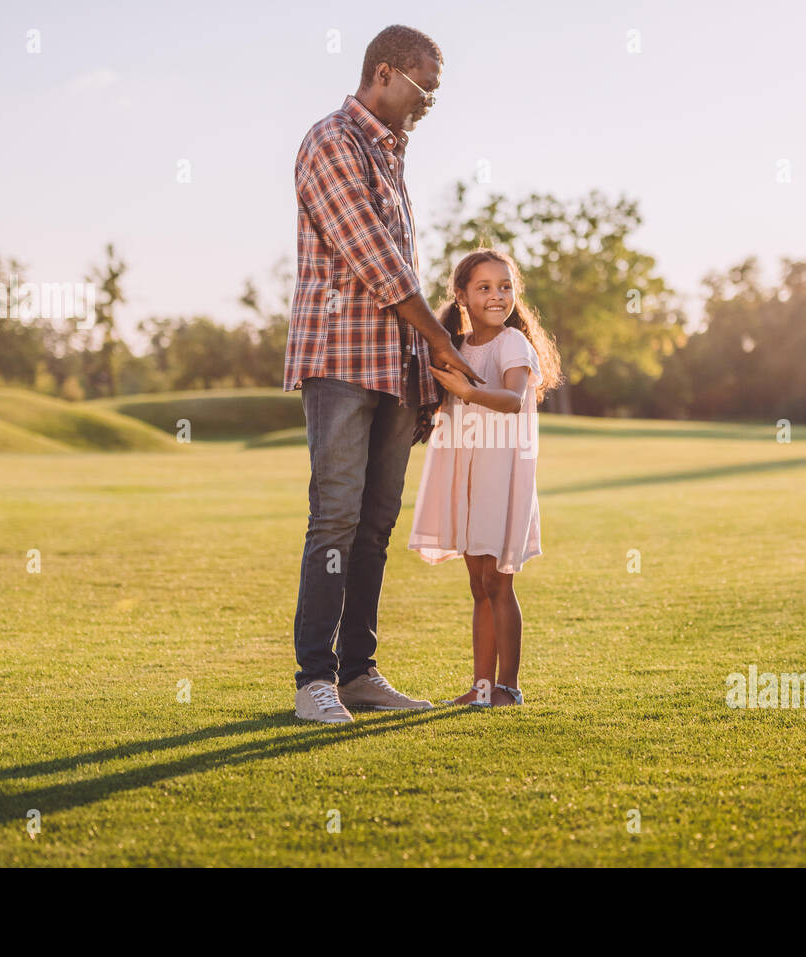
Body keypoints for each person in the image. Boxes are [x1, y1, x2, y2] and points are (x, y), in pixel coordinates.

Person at [284, 25, 483, 724]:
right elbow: (380, 265)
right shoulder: (331, 140)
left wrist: (428, 370)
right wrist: (446, 342)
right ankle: (315, 680)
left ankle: (358, 670)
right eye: (424, 88)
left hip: (396, 370)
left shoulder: (392, 155)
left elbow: (405, 276)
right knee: (334, 518)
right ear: (385, 73)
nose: (429, 103)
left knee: (374, 525)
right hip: (341, 360)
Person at [407, 249, 563, 707]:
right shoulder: (454, 348)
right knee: (478, 585)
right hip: (467, 474)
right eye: (484, 287)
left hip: (500, 476)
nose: (497, 296)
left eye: (505, 286)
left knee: (499, 582)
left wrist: (469, 390)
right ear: (461, 296)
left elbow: (513, 399)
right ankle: (480, 688)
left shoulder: (513, 344)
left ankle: (508, 687)